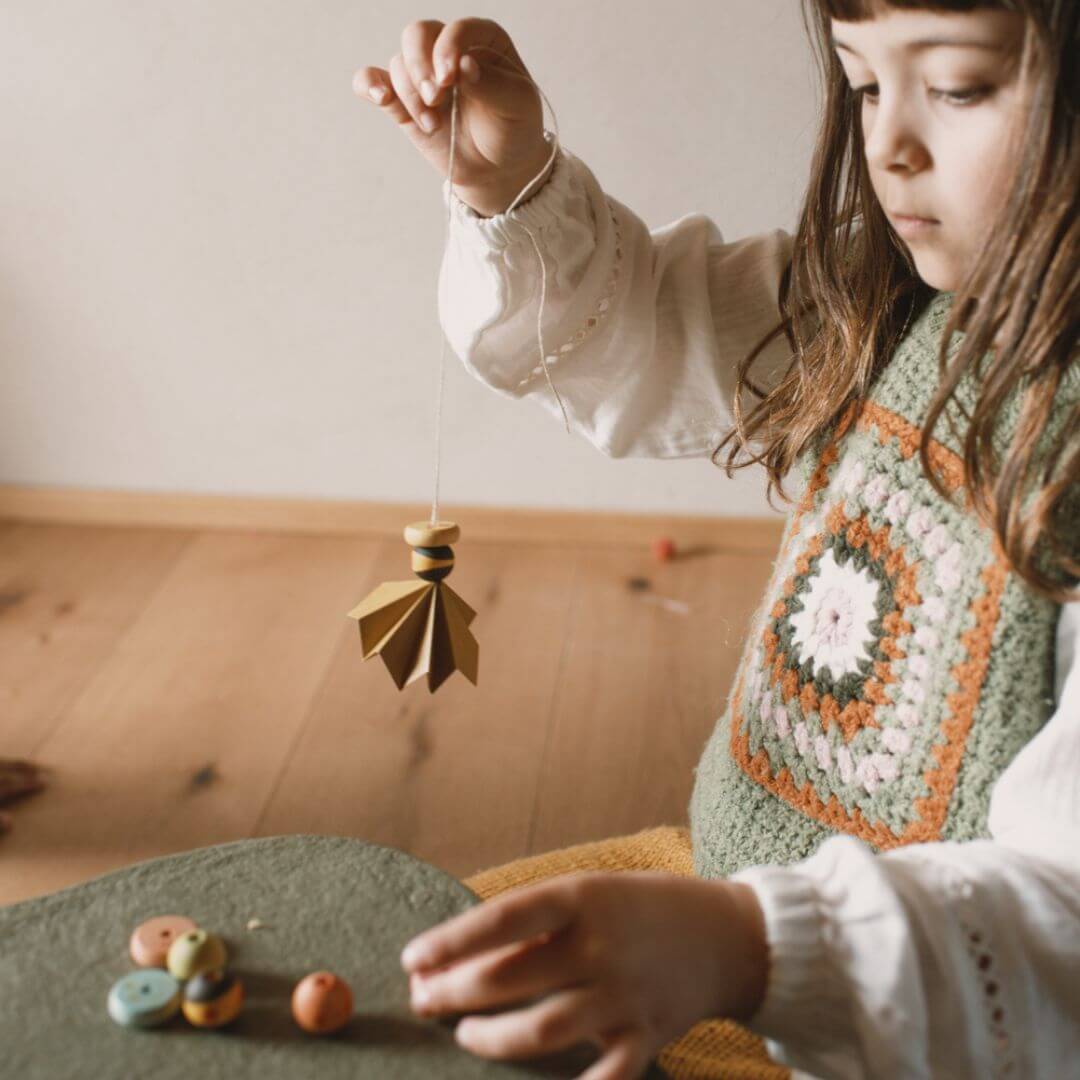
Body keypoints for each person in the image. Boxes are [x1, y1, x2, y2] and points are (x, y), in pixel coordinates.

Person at [353, 4, 1079, 1078]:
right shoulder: (896, 305)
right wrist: (509, 188)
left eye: (959, 88)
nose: (889, 144)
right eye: (866, 85)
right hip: (718, 897)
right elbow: (651, 331)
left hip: (921, 1017)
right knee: (393, 969)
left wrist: (755, 948)